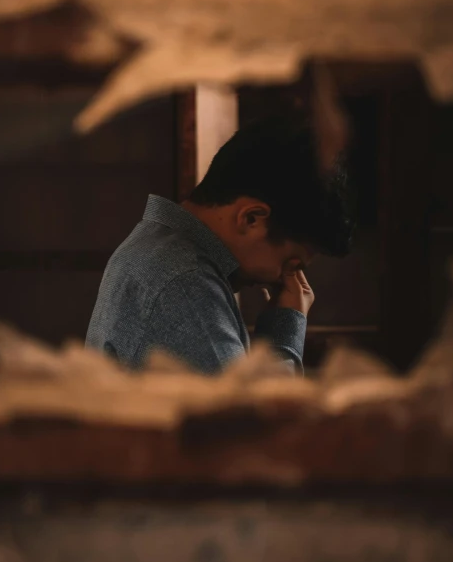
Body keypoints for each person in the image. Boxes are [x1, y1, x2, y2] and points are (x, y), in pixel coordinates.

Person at [86, 115, 353, 374]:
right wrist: (286, 326)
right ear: (251, 218)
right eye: (289, 264)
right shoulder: (185, 282)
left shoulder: (156, 245)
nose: (282, 278)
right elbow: (253, 417)